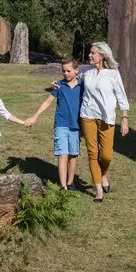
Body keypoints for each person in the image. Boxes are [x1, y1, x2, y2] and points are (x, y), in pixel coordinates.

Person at [77, 42, 129, 202]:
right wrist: (58, 84)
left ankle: (102, 175)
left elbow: (121, 95)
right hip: (87, 116)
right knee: (93, 154)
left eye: (93, 53)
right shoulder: (86, 72)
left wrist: (125, 118)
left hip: (107, 118)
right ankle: (99, 189)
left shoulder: (113, 74)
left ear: (102, 55)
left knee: (106, 155)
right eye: (90, 53)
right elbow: (71, 77)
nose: (90, 55)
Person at [25, 58, 84, 191]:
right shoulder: (59, 86)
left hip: (76, 126)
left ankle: (70, 182)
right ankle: (63, 185)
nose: (66, 74)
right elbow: (48, 102)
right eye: (63, 71)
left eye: (69, 71)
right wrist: (35, 115)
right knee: (62, 154)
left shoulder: (82, 86)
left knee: (73, 155)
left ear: (76, 71)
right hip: (61, 125)